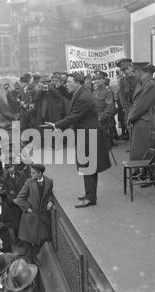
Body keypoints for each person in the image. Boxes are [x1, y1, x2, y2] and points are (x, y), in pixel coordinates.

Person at [47, 72, 111, 208]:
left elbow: (74, 117)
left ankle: (90, 198)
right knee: (86, 166)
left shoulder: (83, 97)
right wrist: (60, 87)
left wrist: (56, 125)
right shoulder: (80, 92)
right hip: (86, 134)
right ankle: (89, 194)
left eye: (69, 82)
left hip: (88, 135)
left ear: (78, 82)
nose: (67, 84)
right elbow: (69, 95)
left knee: (88, 167)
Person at [15, 164, 53, 262]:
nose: (31, 174)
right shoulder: (29, 182)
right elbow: (20, 198)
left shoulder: (49, 181)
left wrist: (50, 201)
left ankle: (34, 256)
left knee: (43, 238)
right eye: (31, 172)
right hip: (30, 217)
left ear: (40, 173)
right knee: (28, 241)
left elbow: (49, 194)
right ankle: (29, 262)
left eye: (33, 173)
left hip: (42, 217)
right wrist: (27, 208)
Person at [128, 62, 155, 180]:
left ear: (140, 71)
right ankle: (144, 173)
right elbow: (136, 104)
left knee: (148, 150)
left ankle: (150, 176)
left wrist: (131, 117)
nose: (132, 74)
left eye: (133, 71)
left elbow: (141, 106)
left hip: (147, 121)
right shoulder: (142, 83)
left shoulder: (150, 84)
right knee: (144, 150)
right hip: (142, 120)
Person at [116, 58, 134, 140]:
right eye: (123, 70)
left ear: (131, 67)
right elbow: (122, 98)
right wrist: (129, 110)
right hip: (130, 111)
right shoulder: (122, 82)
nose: (125, 72)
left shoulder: (139, 79)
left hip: (141, 110)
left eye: (126, 69)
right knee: (131, 130)